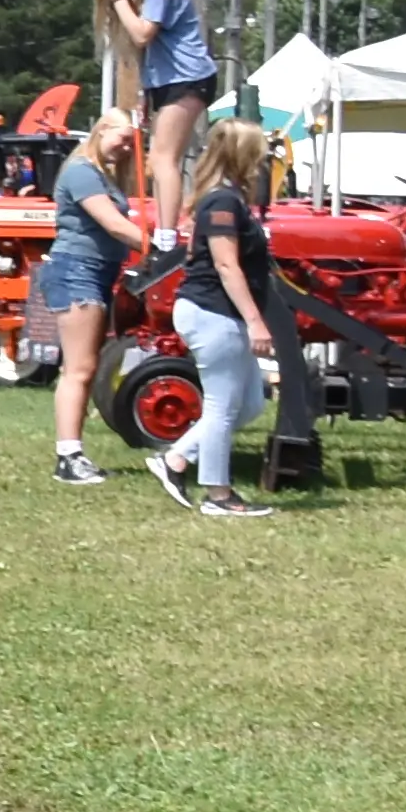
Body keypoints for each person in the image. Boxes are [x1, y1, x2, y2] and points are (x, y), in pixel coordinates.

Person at [161, 117, 297, 517]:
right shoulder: (222, 201)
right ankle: (218, 496)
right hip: (212, 312)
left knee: (251, 403)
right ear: (242, 155)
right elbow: (226, 265)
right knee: (221, 407)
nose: (263, 161)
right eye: (259, 153)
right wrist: (256, 321)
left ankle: (176, 458)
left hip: (219, 313)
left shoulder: (228, 198)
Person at [32, 112, 146, 487]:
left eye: (133, 141)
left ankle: (74, 454)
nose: (128, 146)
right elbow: (112, 223)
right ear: (101, 131)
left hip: (96, 272)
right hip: (76, 271)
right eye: (123, 138)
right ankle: (68, 458)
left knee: (86, 367)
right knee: (78, 370)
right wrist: (160, 245)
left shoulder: (103, 173)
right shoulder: (82, 171)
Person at [96, 0, 225, 242]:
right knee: (159, 157)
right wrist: (145, 93)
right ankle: (169, 226)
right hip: (165, 81)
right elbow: (148, 52)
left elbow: (142, 35)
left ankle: (167, 235)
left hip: (188, 76)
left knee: (163, 158)